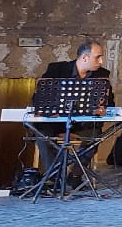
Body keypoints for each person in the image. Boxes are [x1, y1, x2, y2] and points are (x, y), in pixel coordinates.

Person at [33, 40, 114, 181]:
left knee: (94, 136)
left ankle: (75, 175)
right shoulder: (57, 70)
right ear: (84, 58)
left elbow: (110, 103)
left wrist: (103, 107)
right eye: (97, 57)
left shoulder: (101, 75)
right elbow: (39, 98)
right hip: (55, 124)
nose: (101, 61)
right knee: (42, 133)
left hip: (82, 126)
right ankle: (56, 178)